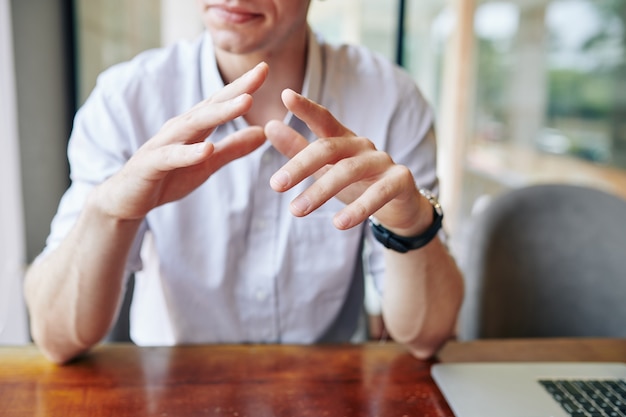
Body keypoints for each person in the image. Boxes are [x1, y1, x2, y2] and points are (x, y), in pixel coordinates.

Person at [24, 0, 464, 364]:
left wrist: (410, 223)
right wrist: (109, 211)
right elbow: (58, 338)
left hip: (326, 391)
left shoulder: (391, 100)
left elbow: (425, 337)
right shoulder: (126, 101)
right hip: (170, 390)